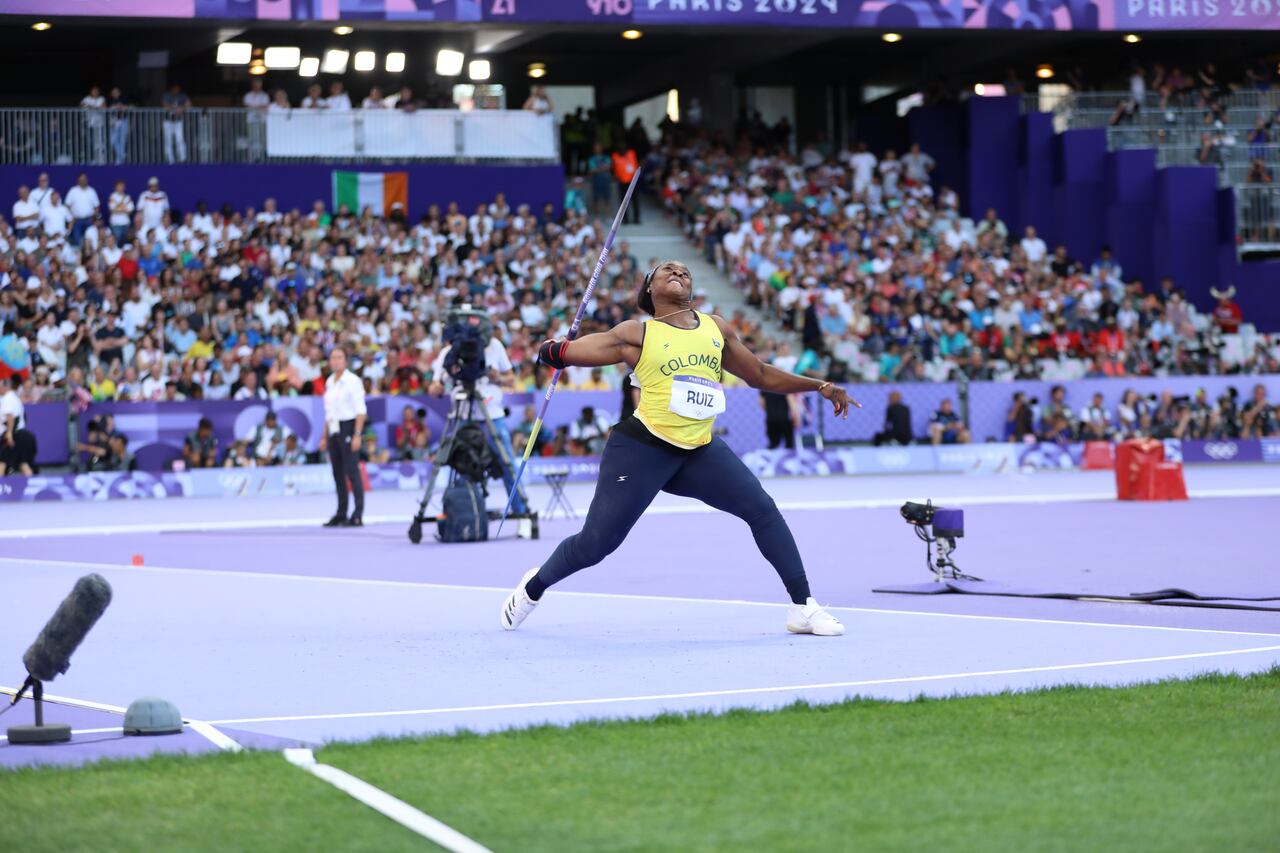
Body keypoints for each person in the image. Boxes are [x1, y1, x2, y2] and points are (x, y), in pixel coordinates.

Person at [500, 260, 859, 636]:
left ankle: (803, 607)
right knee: (595, 545)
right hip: (642, 449)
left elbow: (760, 375)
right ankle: (533, 587)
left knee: (763, 510)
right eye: (666, 269)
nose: (678, 272)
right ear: (649, 289)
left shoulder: (715, 328)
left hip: (699, 450)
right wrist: (552, 351)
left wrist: (819, 385)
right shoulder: (638, 333)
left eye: (686, 271)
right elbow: (576, 351)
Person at [321, 346, 366, 527]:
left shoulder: (352, 381)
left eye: (339, 357)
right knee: (337, 473)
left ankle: (357, 513)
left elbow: (360, 410)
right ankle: (341, 512)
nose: (336, 361)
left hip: (348, 426)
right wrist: (324, 436)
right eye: (333, 358)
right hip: (334, 428)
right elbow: (329, 412)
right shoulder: (330, 381)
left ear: (345, 361)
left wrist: (357, 434)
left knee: (352, 471)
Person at [0, 375, 36, 476]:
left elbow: (10, 417)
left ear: (5, 386)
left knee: (2, 462)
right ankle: (31, 483)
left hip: (12, 435)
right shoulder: (14, 397)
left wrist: (9, 434)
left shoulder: (7, 398)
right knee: (22, 463)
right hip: (20, 434)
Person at [162, 83, 190, 163]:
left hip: (178, 121)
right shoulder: (167, 95)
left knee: (180, 139)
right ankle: (170, 160)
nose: (176, 90)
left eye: (177, 89)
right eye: (174, 89)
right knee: (168, 140)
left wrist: (181, 108)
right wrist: (174, 108)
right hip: (168, 122)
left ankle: (182, 159)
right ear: (171, 89)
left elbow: (189, 105)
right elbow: (164, 106)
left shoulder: (182, 96)